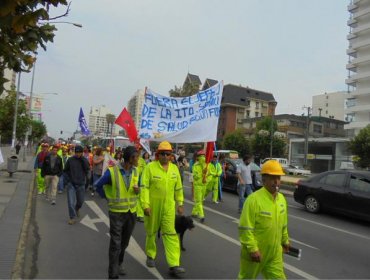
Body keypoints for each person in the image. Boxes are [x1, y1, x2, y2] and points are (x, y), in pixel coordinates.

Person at [238, 160, 290, 279]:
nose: (276, 181)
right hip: (256, 252)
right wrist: (252, 249)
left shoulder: (281, 199)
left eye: (278, 177)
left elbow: (283, 224)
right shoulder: (253, 200)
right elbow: (245, 228)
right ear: (264, 179)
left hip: (275, 253)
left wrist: (285, 240)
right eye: (272, 177)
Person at [140, 141, 185, 276]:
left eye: (168, 154)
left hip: (169, 207)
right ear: (158, 155)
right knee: (152, 232)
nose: (165, 156)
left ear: (171, 155)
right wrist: (145, 205)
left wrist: (180, 203)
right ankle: (150, 255)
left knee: (171, 234)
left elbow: (178, 188)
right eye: (162, 154)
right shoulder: (150, 168)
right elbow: (144, 187)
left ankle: (174, 264)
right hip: (153, 206)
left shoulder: (174, 169)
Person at [94, 146, 140, 279]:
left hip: (131, 212)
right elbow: (97, 185)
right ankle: (113, 274)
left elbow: (140, 188)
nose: (138, 159)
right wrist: (107, 196)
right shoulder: (112, 172)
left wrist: (138, 190)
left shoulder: (136, 172)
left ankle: (119, 263)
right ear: (130, 158)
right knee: (115, 243)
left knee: (124, 243)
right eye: (136, 157)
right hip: (116, 213)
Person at [63, 145, 90, 225]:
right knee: (70, 202)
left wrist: (87, 179)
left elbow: (88, 170)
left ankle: (77, 208)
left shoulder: (84, 160)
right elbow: (65, 170)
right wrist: (68, 180)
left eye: (79, 152)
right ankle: (72, 217)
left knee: (80, 202)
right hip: (71, 184)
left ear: (82, 153)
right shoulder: (70, 160)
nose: (77, 154)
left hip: (81, 184)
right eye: (76, 152)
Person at [191, 150, 209, 223]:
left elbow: (208, 174)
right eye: (201, 156)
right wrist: (202, 173)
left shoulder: (206, 165)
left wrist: (206, 176)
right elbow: (195, 176)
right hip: (198, 185)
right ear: (198, 157)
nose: (203, 158)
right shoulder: (195, 166)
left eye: (204, 156)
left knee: (200, 200)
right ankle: (202, 216)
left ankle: (194, 212)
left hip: (204, 185)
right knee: (199, 201)